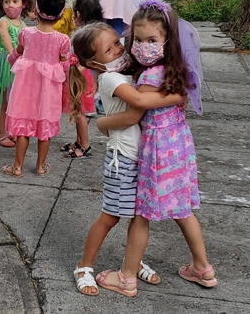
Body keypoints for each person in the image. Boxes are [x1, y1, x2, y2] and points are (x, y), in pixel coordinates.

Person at [95, 0, 217, 296]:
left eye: (152, 40)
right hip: (179, 146)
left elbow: (138, 107)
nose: (142, 45)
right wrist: (177, 97)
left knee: (141, 213)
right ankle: (203, 268)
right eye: (138, 39)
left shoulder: (149, 75)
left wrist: (102, 124)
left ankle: (126, 277)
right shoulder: (173, 70)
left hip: (158, 151)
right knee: (183, 210)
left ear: (167, 41)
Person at [66, 21, 185, 296]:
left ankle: (131, 263)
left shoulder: (130, 72)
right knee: (110, 216)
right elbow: (138, 108)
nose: (120, 50)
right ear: (94, 63)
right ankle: (84, 266)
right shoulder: (110, 78)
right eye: (109, 50)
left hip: (141, 158)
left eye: (118, 43)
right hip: (122, 160)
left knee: (140, 217)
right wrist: (179, 95)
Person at [0, 0, 71, 178]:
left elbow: (17, 53)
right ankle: (40, 166)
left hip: (26, 86)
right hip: (48, 89)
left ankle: (17, 167)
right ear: (60, 14)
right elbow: (64, 64)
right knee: (44, 128)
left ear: (36, 10)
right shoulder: (63, 40)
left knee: (23, 126)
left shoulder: (27, 33)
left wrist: (10, 60)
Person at [0, 0, 32, 147]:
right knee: (3, 100)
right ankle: (1, 134)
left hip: (19, 64)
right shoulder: (3, 22)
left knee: (15, 99)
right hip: (5, 63)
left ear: (24, 3)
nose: (10, 5)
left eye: (15, 1)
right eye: (6, 1)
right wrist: (16, 57)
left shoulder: (24, 25)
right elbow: (6, 39)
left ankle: (11, 130)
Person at [60, 0, 103, 159]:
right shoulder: (89, 31)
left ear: (79, 14)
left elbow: (90, 58)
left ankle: (85, 145)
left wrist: (77, 70)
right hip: (78, 76)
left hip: (80, 77)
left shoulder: (87, 34)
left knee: (80, 112)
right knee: (77, 111)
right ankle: (78, 141)